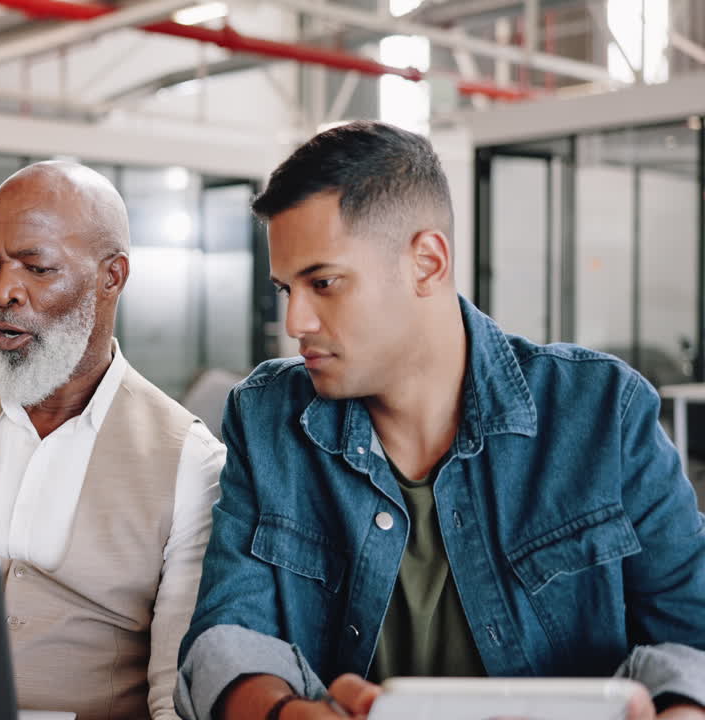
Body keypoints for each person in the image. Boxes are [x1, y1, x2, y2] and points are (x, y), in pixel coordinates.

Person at [175, 121, 705, 720]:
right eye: (285, 288)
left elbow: (693, 634)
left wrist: (682, 709)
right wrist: (283, 714)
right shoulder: (266, 416)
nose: (295, 320)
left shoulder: (604, 411)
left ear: (427, 263)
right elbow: (226, 639)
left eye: (323, 283)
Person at [0, 161, 225, 720]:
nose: (3, 291)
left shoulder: (189, 463)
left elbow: (175, 694)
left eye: (37, 267)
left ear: (112, 277)